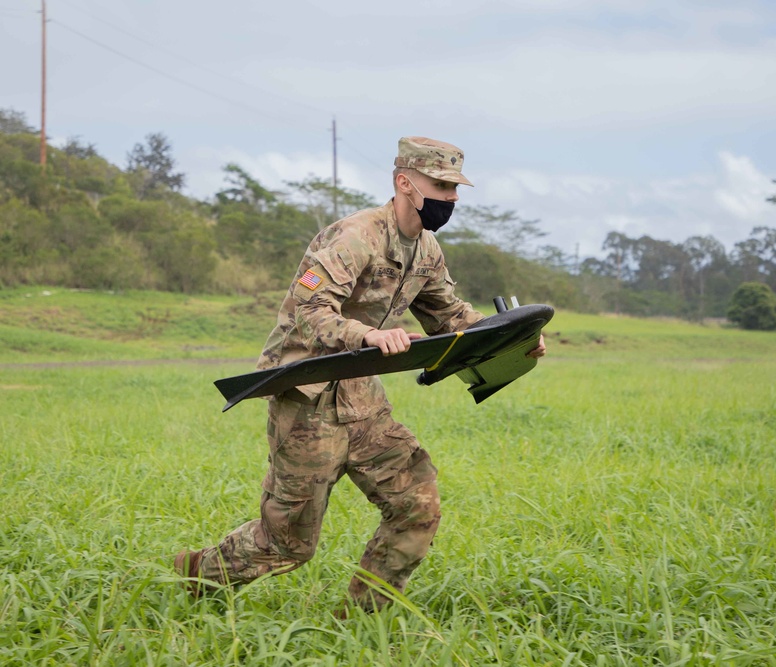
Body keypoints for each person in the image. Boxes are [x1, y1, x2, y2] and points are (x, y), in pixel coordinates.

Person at [175, 136, 545, 613]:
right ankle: (194, 574)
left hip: (361, 396)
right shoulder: (354, 236)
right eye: (441, 186)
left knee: (417, 505)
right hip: (306, 395)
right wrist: (365, 334)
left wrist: (513, 340)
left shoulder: (426, 250)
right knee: (288, 544)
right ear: (404, 183)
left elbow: (449, 317)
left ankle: (362, 621)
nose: (451, 199)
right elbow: (310, 307)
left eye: (456, 189)